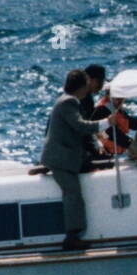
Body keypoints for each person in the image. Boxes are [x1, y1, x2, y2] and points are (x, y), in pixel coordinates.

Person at [40, 69, 109, 251]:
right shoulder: (69, 102)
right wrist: (107, 122)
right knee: (73, 195)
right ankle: (72, 237)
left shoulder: (66, 101)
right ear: (81, 86)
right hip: (60, 159)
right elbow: (79, 126)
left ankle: (74, 234)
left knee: (73, 194)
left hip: (62, 157)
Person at [78, 65, 114, 169]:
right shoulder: (81, 99)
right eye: (100, 81)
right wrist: (96, 147)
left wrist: (100, 142)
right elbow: (84, 128)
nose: (102, 85)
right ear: (91, 80)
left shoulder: (87, 98)